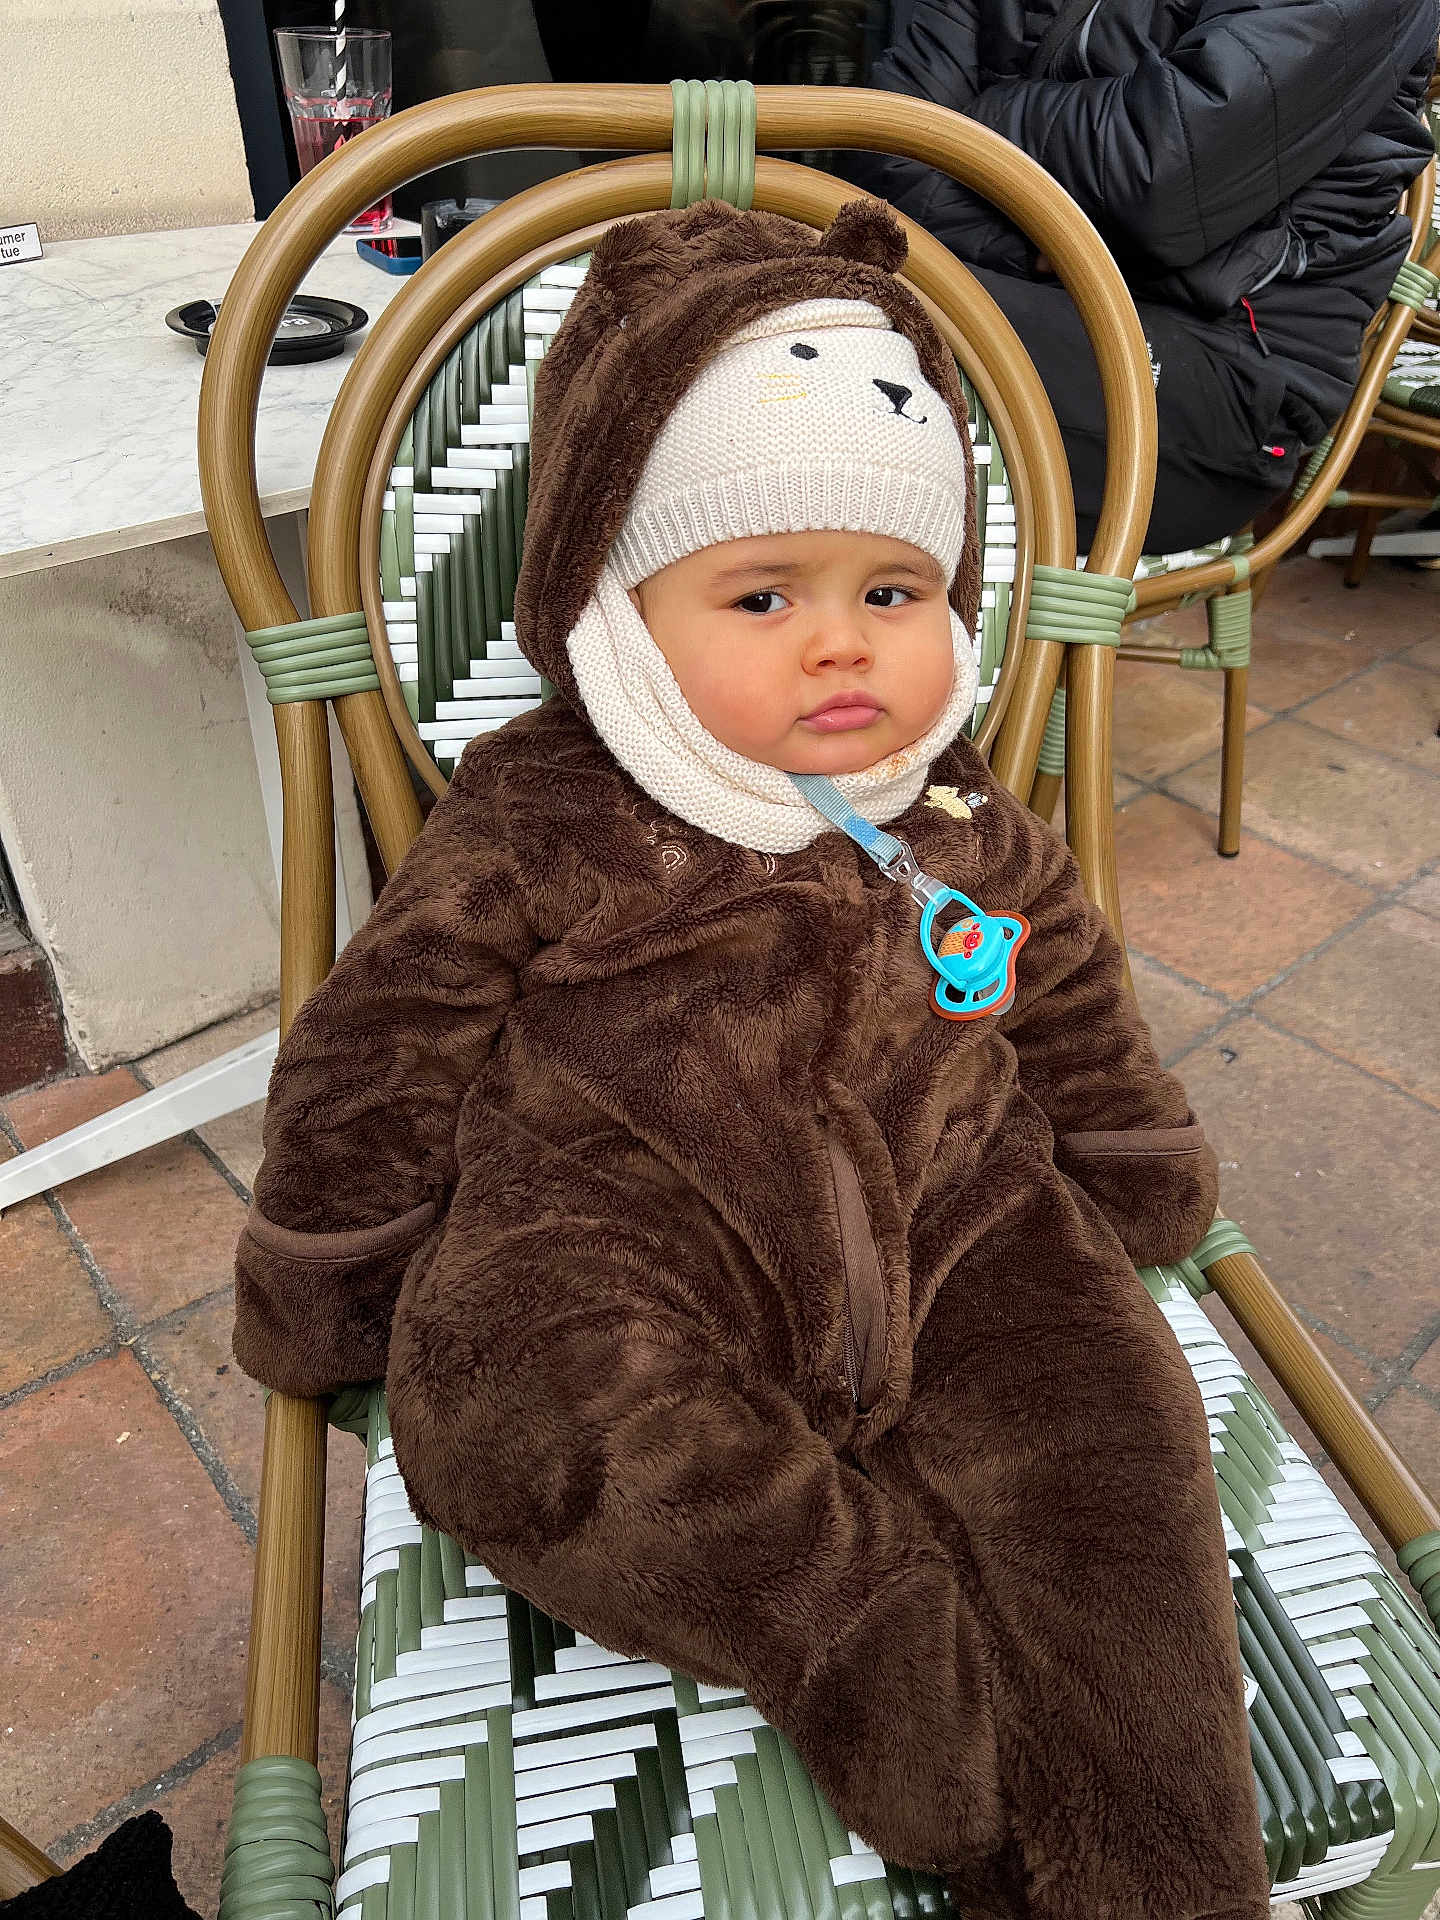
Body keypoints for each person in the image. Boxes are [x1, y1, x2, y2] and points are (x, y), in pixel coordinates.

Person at [232, 200, 1268, 1919]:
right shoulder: (539, 813)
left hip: (960, 1225)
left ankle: (1160, 1867)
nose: (843, 641)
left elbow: (1070, 997)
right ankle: (854, 1625)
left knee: (1117, 1466)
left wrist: (1130, 1157)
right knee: (510, 1409)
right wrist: (332, 1263)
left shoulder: (962, 821)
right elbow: (377, 1047)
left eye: (894, 589)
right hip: (618, 1240)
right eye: (763, 592)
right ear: (621, 614)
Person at [859, 0, 1438, 553]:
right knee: (807, 327)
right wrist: (1049, 241)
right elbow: (890, 143)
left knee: (842, 361)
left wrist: (979, 117)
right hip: (1019, 292)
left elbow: (1162, 177)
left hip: (1222, 371)